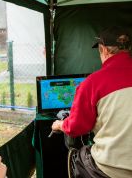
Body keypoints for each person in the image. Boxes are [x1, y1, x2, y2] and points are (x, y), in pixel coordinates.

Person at [51, 26, 132, 178]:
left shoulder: (92, 83)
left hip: (110, 169)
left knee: (77, 155)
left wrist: (60, 124)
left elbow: (76, 127)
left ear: (103, 49)